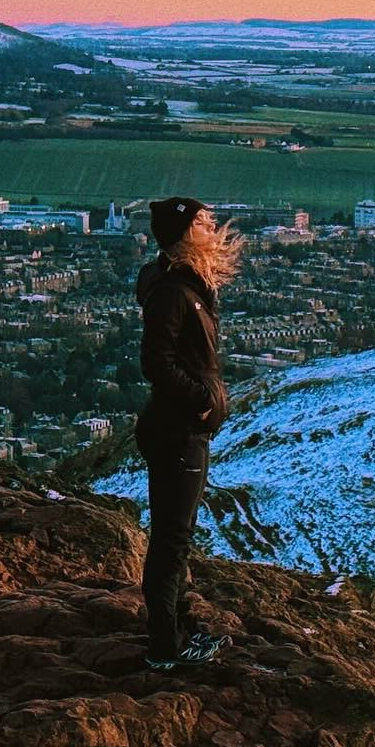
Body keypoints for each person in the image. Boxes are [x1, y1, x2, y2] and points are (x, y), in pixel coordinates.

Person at [134, 196, 243, 671]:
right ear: (182, 234)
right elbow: (155, 362)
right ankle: (164, 649)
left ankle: (173, 635)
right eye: (201, 222)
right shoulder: (174, 291)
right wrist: (200, 399)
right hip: (178, 432)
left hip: (181, 430)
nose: (212, 227)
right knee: (172, 540)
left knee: (175, 538)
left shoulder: (186, 284)